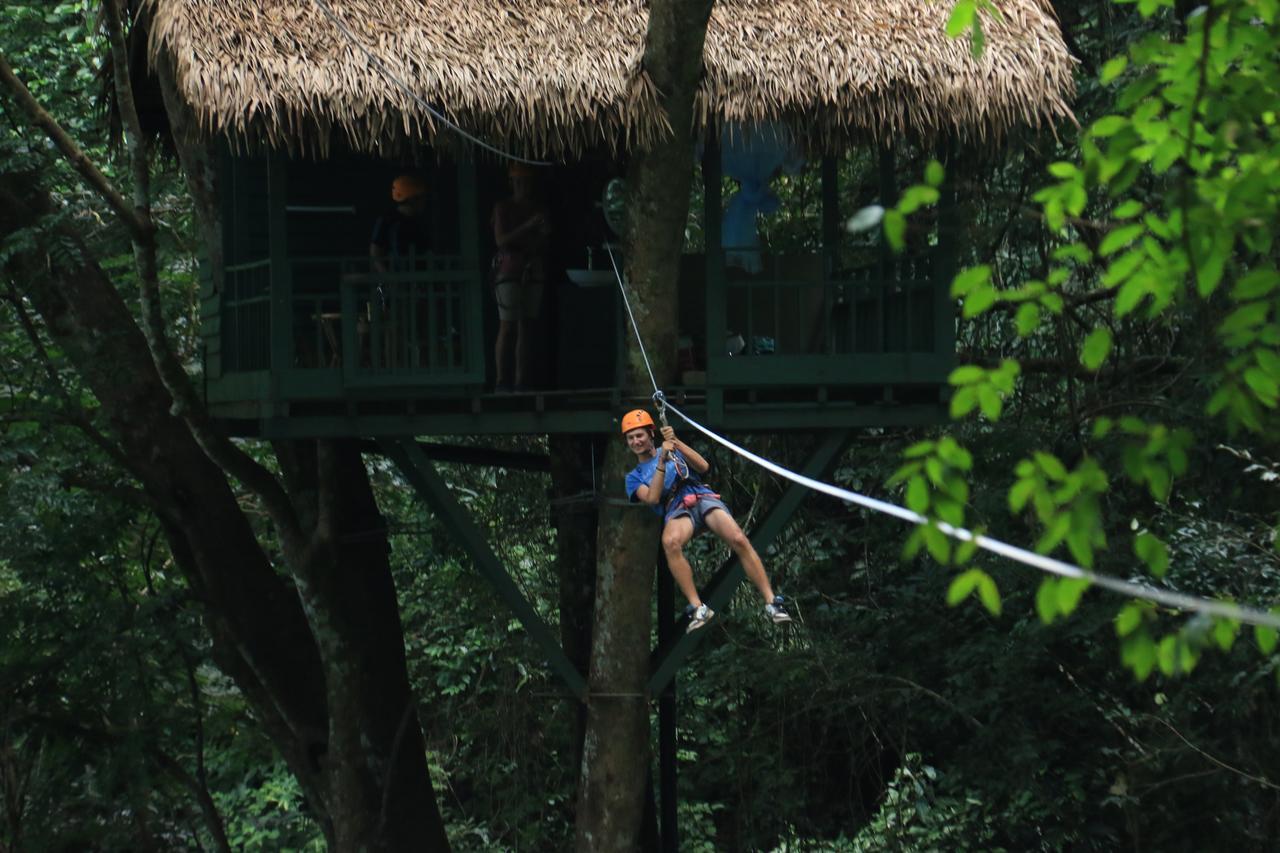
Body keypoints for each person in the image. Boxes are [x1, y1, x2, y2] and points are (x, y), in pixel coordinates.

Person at [621, 409, 792, 633]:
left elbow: (703, 466)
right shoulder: (633, 477)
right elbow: (653, 497)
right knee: (670, 542)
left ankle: (772, 603)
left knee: (739, 539)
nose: (635, 441)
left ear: (651, 434)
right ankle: (697, 607)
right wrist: (662, 461)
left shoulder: (672, 450)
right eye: (631, 438)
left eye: (639, 435)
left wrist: (676, 443)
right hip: (676, 506)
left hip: (699, 494)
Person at [490, 162, 550, 392]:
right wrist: (528, 226)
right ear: (511, 183)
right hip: (508, 268)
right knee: (507, 324)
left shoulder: (538, 209)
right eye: (518, 181)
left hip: (532, 266)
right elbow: (500, 240)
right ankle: (501, 380)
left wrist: (541, 230)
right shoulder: (502, 208)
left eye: (526, 182)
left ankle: (521, 380)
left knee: (526, 325)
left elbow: (545, 239)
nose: (522, 186)